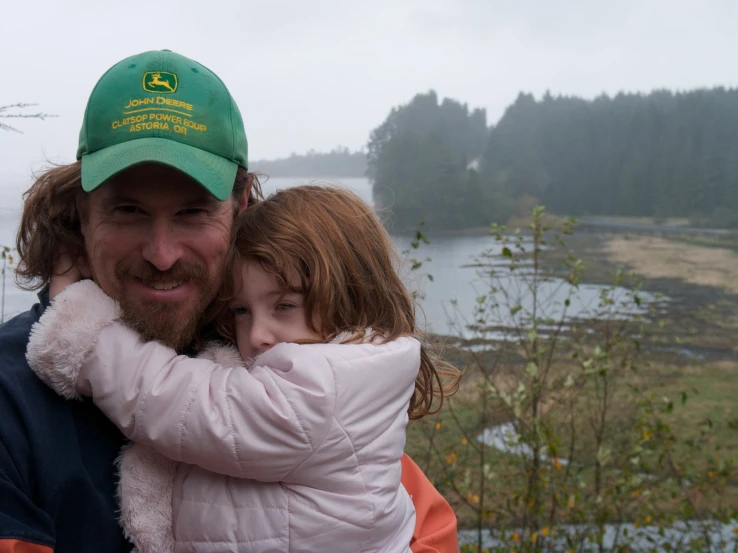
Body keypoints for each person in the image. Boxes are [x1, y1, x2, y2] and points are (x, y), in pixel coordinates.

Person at [0, 50, 458, 553]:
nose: (162, 254)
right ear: (81, 215)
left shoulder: (276, 353)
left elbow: (417, 528)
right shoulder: (12, 402)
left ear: (239, 209)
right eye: (128, 211)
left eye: (193, 212)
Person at [26, 185, 462, 553]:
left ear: (352, 299)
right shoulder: (354, 368)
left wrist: (87, 331)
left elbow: (183, 404)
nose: (257, 336)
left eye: (285, 306)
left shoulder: (323, 385)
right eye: (240, 311)